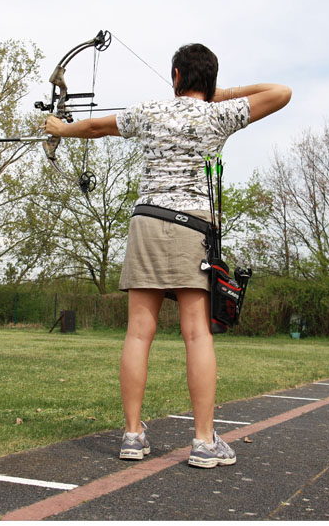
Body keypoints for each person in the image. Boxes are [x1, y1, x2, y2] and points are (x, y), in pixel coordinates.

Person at [43, 43, 290, 468]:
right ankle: (202, 442)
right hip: (190, 226)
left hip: (146, 221)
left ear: (175, 76)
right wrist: (220, 95)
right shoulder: (219, 114)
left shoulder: (149, 112)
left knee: (139, 333)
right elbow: (280, 91)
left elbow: (97, 128)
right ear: (208, 80)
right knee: (197, 333)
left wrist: (59, 129)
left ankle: (133, 436)